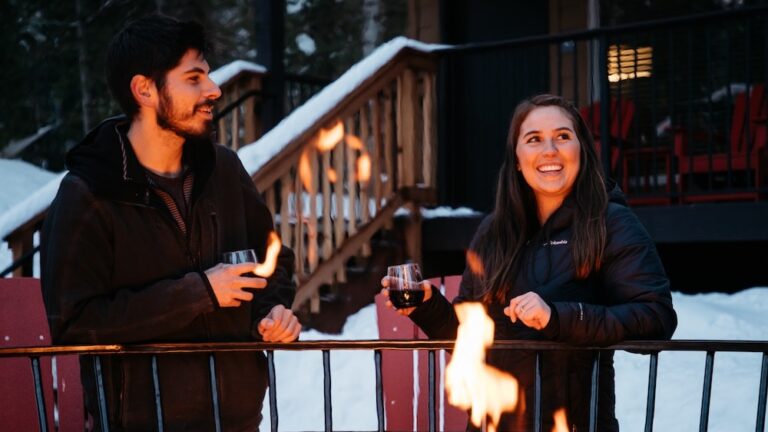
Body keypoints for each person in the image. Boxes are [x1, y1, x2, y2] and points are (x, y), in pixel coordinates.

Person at [41, 14, 301, 431]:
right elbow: (74, 325)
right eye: (194, 77)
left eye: (208, 76)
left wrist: (271, 312)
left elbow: (275, 260)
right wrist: (198, 292)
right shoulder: (88, 194)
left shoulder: (225, 170)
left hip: (238, 420)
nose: (214, 90)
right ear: (145, 89)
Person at [381, 94, 677, 431]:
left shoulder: (611, 223)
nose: (549, 149)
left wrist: (559, 316)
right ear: (518, 160)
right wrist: (429, 306)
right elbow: (469, 336)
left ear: (582, 150)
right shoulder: (494, 231)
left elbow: (656, 318)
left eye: (563, 136)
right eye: (534, 139)